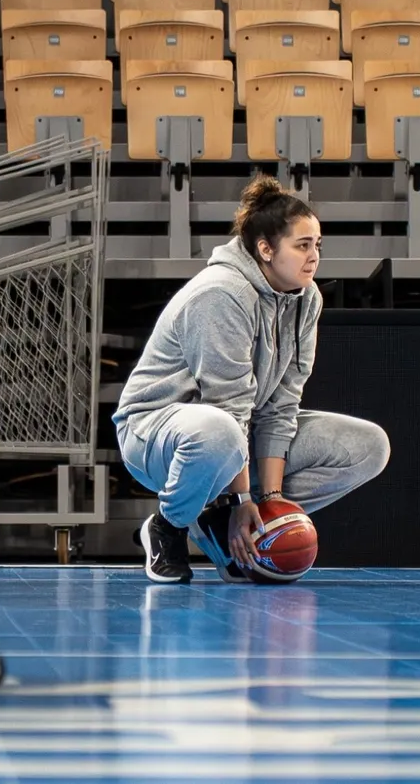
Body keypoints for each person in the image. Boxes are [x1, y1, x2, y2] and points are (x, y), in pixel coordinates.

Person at [112, 174, 391, 584]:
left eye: (317, 245)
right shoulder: (220, 294)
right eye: (302, 245)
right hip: (156, 437)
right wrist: (244, 497)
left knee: (369, 446)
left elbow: (281, 405)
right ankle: (168, 526)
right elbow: (228, 407)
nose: (313, 256)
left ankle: (228, 525)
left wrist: (269, 500)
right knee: (219, 429)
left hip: (232, 435)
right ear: (265, 248)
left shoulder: (306, 298)